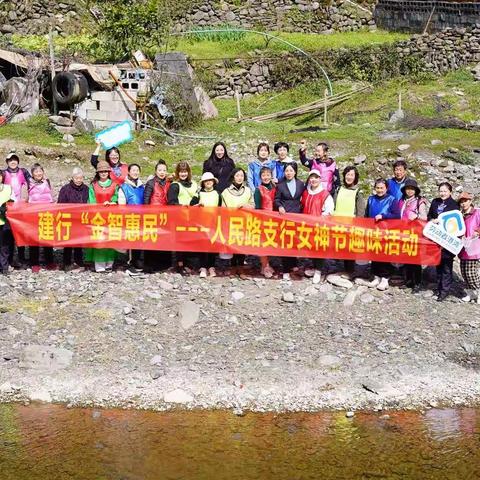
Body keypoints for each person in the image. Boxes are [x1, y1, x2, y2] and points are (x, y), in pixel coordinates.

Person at [364, 178, 400, 291]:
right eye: (377, 188)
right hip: (373, 231)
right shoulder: (371, 199)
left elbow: (397, 215)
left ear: (386, 188)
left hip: (386, 231)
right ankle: (376, 276)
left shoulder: (392, 200)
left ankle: (385, 278)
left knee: (384, 254)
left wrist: (384, 216)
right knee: (374, 253)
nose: (379, 190)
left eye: (382, 188)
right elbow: (366, 215)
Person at [301, 169, 334, 284]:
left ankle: (319, 271)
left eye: (316, 177)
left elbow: (329, 211)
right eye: (311, 177)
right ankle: (314, 266)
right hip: (307, 226)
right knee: (310, 247)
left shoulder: (325, 194)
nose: (313, 180)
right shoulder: (306, 193)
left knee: (319, 248)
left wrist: (320, 219)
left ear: (320, 179)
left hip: (320, 226)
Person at [427, 182, 458, 302]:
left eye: (445, 191)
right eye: (441, 191)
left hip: (447, 238)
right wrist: (432, 220)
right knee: (438, 265)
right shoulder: (435, 201)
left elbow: (455, 222)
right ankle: (439, 288)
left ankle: (444, 291)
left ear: (450, 192)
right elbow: (429, 215)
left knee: (446, 266)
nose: (443, 193)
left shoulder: (454, 204)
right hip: (436, 237)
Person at [274, 163, 305, 280]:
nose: (289, 173)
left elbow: (305, 197)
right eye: (286, 171)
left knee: (294, 242)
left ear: (295, 172)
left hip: (297, 217)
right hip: (285, 217)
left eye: (291, 170)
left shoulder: (300, 184)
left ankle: (293, 264)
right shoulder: (281, 186)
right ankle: (286, 269)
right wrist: (279, 207)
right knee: (285, 243)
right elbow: (276, 200)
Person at [86, 161, 119, 273]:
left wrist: (112, 203)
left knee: (110, 240)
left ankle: (109, 264)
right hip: (98, 218)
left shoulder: (114, 185)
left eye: (105, 171)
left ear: (109, 172)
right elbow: (91, 201)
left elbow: (116, 198)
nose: (104, 173)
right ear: (98, 173)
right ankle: (99, 265)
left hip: (111, 217)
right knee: (99, 241)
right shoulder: (93, 186)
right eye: (101, 171)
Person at [333, 166, 365, 278]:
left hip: (351, 224)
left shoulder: (358, 192)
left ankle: (350, 271)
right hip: (338, 223)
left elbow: (360, 211)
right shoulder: (338, 189)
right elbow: (334, 204)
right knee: (340, 246)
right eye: (347, 174)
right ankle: (342, 268)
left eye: (352, 175)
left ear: (355, 177)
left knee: (349, 248)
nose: (349, 177)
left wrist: (358, 225)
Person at [168, 161, 198, 273]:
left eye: (185, 172)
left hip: (192, 216)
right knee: (179, 241)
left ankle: (189, 263)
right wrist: (182, 207)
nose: (183, 174)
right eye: (181, 172)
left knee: (189, 240)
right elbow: (171, 202)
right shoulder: (175, 185)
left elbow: (197, 196)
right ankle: (179, 264)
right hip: (179, 217)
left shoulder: (194, 184)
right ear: (177, 173)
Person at [398, 178, 428, 293]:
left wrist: (416, 216)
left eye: (412, 189)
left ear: (415, 190)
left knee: (415, 259)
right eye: (407, 189)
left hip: (416, 233)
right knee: (406, 257)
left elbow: (424, 217)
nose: (409, 191)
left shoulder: (420, 201)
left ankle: (417, 283)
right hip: (404, 233)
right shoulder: (402, 201)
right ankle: (408, 281)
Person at [57, 167, 89, 271]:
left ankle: (79, 262)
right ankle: (66, 263)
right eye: (76, 178)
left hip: (81, 219)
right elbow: (60, 204)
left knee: (79, 242)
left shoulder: (86, 189)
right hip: (68, 219)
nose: (79, 180)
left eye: (81, 178)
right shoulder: (65, 189)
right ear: (72, 178)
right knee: (68, 242)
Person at [221, 168, 252, 275]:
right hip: (231, 222)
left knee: (242, 245)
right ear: (233, 177)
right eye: (237, 176)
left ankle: (241, 267)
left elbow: (253, 205)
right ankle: (233, 266)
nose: (239, 178)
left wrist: (246, 206)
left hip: (245, 222)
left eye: (242, 176)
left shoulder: (248, 190)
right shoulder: (226, 192)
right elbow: (223, 208)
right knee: (233, 244)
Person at [191, 172, 221, 278]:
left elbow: (221, 208)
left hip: (214, 223)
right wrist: (198, 205)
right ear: (203, 183)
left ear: (213, 182)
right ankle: (203, 267)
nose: (208, 182)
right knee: (202, 245)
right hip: (201, 223)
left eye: (210, 180)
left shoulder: (218, 193)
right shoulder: (198, 193)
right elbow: (191, 206)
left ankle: (211, 266)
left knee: (213, 245)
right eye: (206, 181)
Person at [2, 152, 29, 267]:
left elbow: (31, 183)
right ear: (7, 162)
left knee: (20, 233)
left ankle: (21, 258)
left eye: (15, 160)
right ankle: (8, 259)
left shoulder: (23, 172)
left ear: (18, 161)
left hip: (20, 207)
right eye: (10, 160)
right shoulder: (3, 173)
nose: (13, 162)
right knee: (8, 234)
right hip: (7, 208)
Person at [143, 160, 172, 272]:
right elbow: (146, 200)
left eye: (164, 170)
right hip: (152, 215)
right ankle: (150, 265)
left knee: (163, 239)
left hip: (165, 216)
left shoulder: (169, 183)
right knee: (152, 239)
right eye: (160, 170)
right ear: (155, 171)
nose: (162, 172)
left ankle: (163, 265)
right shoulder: (150, 183)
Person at [27, 163, 56, 272]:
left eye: (40, 171)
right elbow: (25, 199)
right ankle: (34, 263)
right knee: (33, 239)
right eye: (36, 172)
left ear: (43, 172)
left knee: (47, 237)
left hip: (46, 214)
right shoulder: (28, 183)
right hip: (33, 215)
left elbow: (51, 196)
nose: (38, 173)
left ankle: (49, 261)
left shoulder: (47, 182)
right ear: (32, 174)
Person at [118, 164, 145, 274]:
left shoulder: (142, 186)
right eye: (133, 170)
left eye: (137, 170)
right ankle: (128, 264)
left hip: (141, 218)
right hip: (130, 217)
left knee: (139, 240)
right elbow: (121, 204)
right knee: (130, 241)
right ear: (128, 172)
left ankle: (137, 260)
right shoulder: (124, 187)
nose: (135, 172)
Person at [457, 192, 480, 304]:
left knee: (471, 273)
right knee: (464, 272)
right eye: (461, 201)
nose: (463, 203)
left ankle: (478, 292)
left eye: (465, 201)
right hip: (462, 247)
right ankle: (471, 294)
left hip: (473, 247)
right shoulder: (459, 215)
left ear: (470, 201)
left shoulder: (477, 212)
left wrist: (477, 232)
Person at [254, 166, 276, 278]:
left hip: (275, 220)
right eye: (263, 175)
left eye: (268, 175)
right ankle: (264, 265)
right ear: (260, 177)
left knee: (271, 242)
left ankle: (268, 263)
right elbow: (257, 208)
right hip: (263, 219)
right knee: (263, 242)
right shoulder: (258, 190)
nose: (266, 177)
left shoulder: (275, 187)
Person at [0, 171, 13, 275]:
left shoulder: (8, 188)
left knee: (4, 245)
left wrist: (5, 208)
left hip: (5, 221)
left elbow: (13, 202)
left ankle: (4, 267)